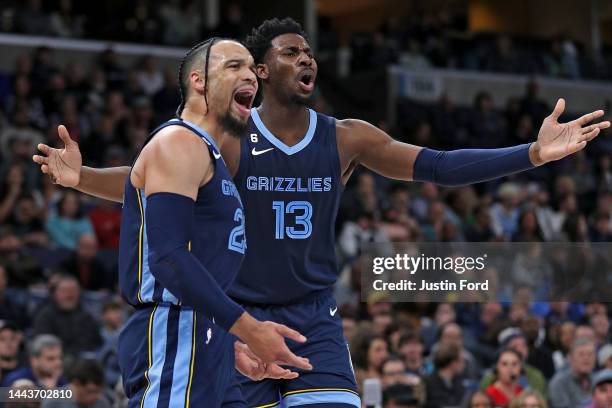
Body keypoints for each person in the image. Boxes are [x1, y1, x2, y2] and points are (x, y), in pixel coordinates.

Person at [33, 18, 611, 408]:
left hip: (311, 316)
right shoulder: (227, 139)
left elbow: (437, 165)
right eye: (291, 52)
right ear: (260, 70)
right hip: (237, 317)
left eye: (309, 52)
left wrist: (532, 153)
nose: (307, 59)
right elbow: (153, 189)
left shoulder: (345, 138)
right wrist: (79, 178)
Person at [36, 38, 312, 407]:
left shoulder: (205, 157)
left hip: (205, 333)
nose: (250, 75)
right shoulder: (179, 142)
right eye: (234, 66)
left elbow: (139, 183)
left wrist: (227, 342)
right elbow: (167, 258)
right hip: (174, 328)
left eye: (251, 68)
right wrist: (249, 328)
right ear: (198, 81)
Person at [2, 334, 67, 389]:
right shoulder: (16, 380)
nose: (58, 363)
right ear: (34, 360)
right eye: (50, 359)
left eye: (60, 358)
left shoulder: (61, 380)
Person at [548, 337, 597, 408]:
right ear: (570, 358)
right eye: (581, 354)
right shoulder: (559, 383)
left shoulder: (598, 381)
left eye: (590, 354)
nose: (586, 358)